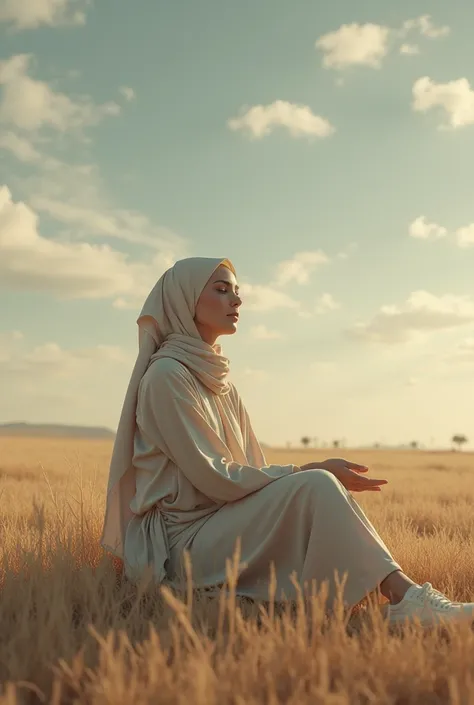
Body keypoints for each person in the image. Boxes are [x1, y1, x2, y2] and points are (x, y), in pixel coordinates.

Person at [101, 256, 474, 627]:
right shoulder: (167, 376)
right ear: (184, 300)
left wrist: (298, 479)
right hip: (181, 544)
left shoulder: (219, 380)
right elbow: (216, 478)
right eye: (220, 289)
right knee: (315, 483)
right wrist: (306, 470)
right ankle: (407, 599)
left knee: (313, 486)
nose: (236, 300)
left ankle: (393, 600)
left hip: (219, 524)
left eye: (237, 291)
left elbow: (252, 474)